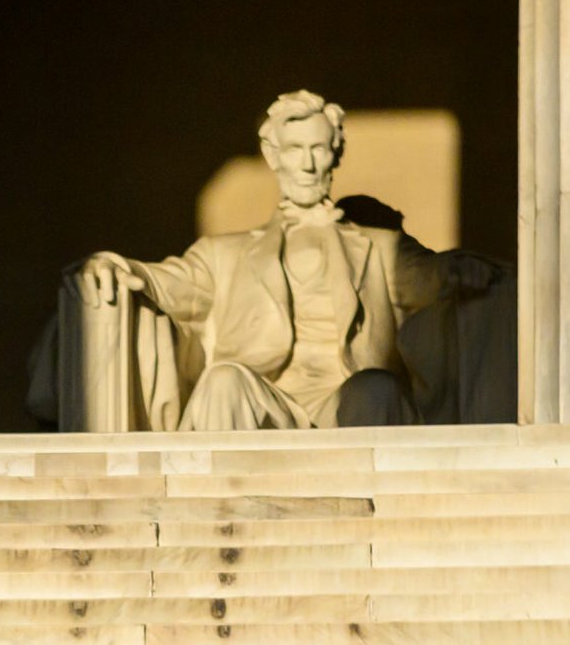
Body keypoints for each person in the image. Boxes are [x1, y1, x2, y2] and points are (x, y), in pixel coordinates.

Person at [75, 89, 499, 430]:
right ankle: (222, 508)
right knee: (223, 380)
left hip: (348, 403)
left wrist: (466, 269)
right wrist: (117, 268)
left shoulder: (381, 248)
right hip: (264, 405)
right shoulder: (223, 254)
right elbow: (167, 281)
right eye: (295, 149)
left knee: (376, 387)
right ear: (273, 155)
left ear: (336, 153)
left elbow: (431, 276)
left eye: (319, 148)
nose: (308, 164)